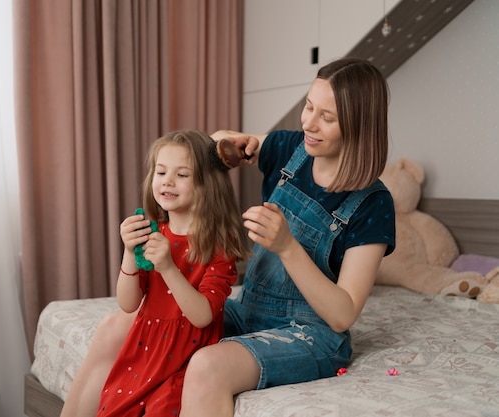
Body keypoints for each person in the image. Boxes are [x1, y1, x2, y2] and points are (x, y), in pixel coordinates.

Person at [60, 57, 396, 417]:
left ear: (359, 125)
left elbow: (342, 314)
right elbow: (219, 144)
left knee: (207, 365)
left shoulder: (373, 204)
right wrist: (230, 146)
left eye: (326, 117)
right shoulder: (290, 150)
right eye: (309, 107)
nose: (309, 124)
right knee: (116, 328)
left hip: (309, 334)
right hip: (248, 310)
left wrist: (287, 248)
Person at [89, 130, 250, 416]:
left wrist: (167, 267)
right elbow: (128, 304)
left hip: (183, 362)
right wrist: (129, 252)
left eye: (182, 175)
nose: (167, 181)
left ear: (207, 185)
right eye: (160, 172)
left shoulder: (218, 248)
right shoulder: (153, 234)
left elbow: (202, 316)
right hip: (143, 354)